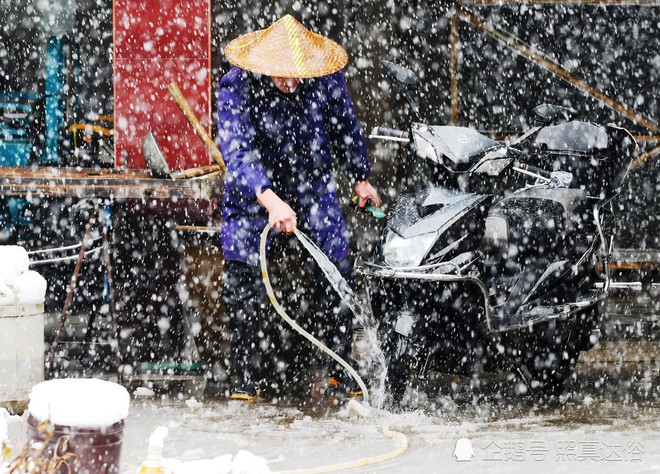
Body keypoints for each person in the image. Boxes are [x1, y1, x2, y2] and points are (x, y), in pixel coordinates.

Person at [217, 14, 380, 401]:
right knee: (242, 274)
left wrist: (359, 175)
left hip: (313, 183)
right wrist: (270, 200)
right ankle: (245, 379)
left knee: (337, 269)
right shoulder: (236, 84)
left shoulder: (323, 76)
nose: (290, 84)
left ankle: (341, 373)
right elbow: (237, 152)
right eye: (281, 76)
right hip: (254, 193)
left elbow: (344, 125)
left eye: (296, 76)